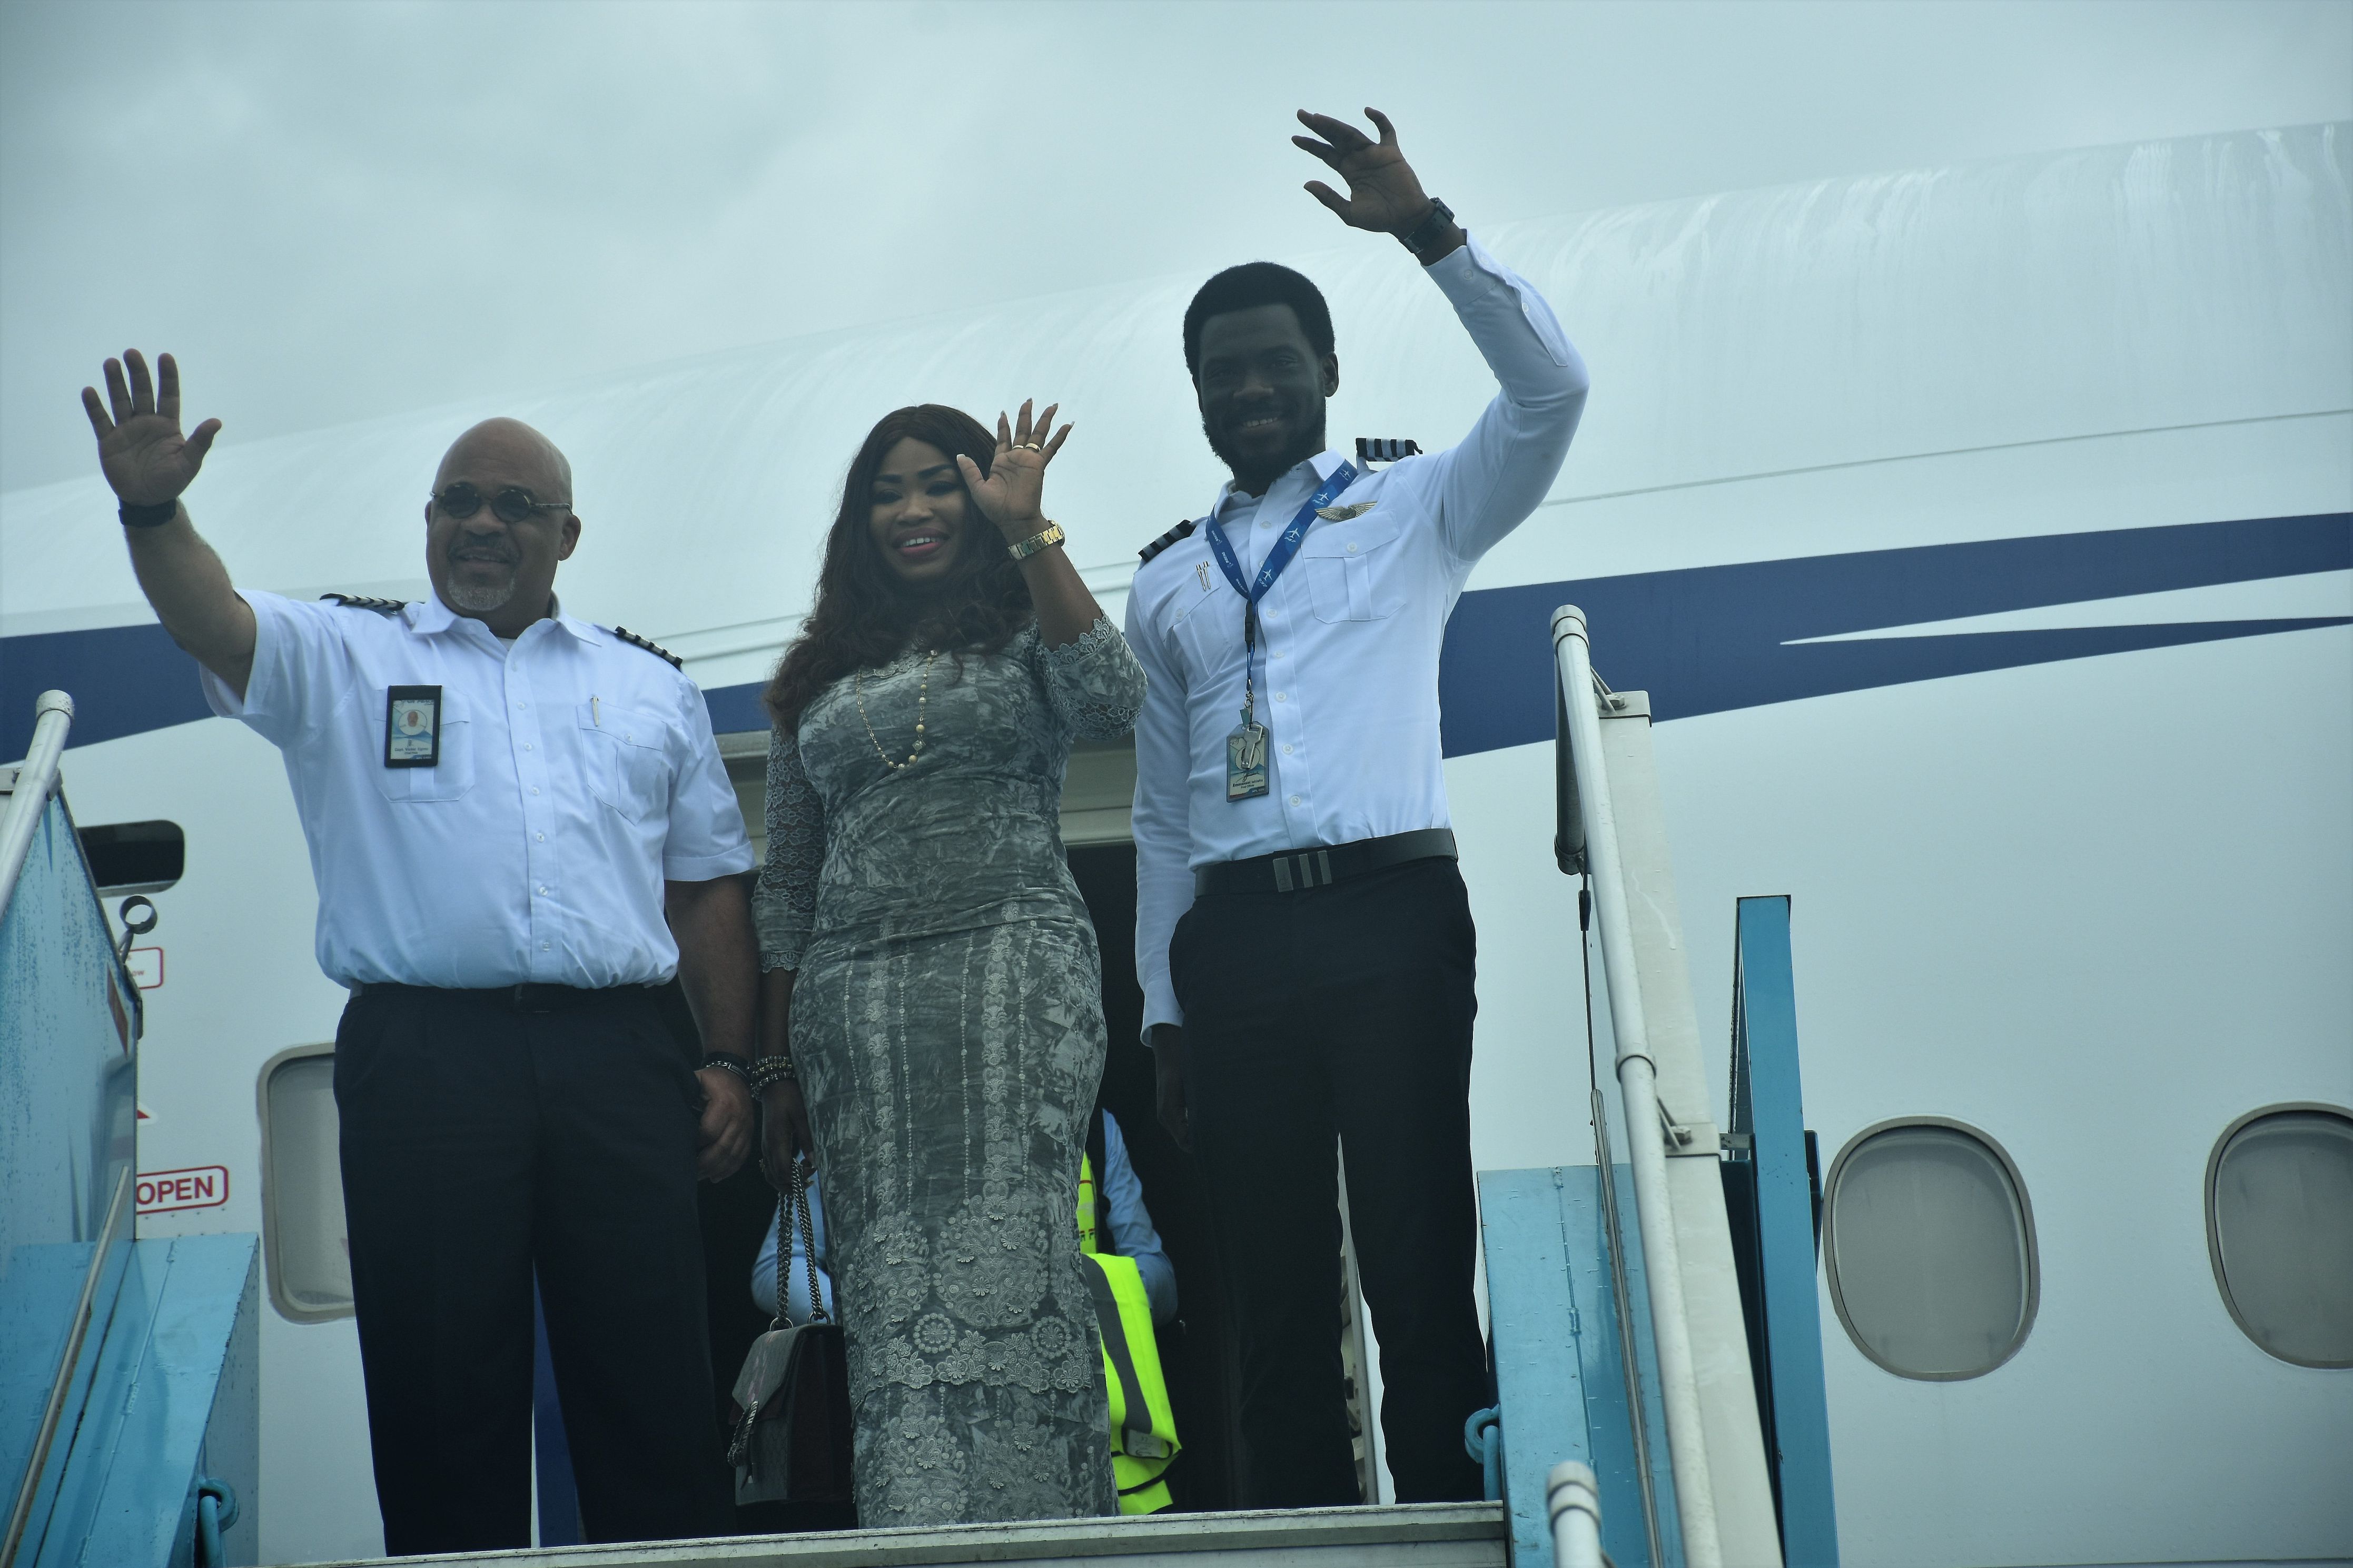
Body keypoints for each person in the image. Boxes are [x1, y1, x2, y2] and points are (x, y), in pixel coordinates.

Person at [80, 353, 759, 1554]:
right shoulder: (349, 657)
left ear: (569, 534)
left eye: (515, 506)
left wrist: (727, 1061)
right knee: (441, 1390)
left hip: (620, 1057)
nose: (483, 523)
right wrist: (153, 507)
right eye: (460, 501)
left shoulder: (648, 686)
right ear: (430, 521)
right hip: (426, 1058)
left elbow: (705, 882)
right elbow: (212, 617)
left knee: (652, 1386)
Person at [1125, 109, 1590, 1508]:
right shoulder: (1167, 581)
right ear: (1198, 397)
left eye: (1275, 363)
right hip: (1236, 950)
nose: (1249, 387)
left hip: (1391, 916)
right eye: (1222, 374)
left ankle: (1452, 1526)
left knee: (1411, 1250)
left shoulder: (1416, 506)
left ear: (1327, 370)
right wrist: (1160, 1007)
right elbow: (1155, 819)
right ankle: (1303, 1534)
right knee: (1267, 1282)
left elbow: (1550, 395)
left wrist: (1428, 234)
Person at [750, 401, 1148, 1526]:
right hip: (855, 1003)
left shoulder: (1025, 616)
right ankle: (917, 1538)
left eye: (938, 484)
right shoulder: (813, 670)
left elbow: (1115, 701)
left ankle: (1050, 1537)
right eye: (887, 491)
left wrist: (1032, 532)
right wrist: (775, 1065)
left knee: (1014, 1251)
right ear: (856, 517)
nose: (913, 510)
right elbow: (785, 881)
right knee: (888, 1280)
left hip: (1011, 972)